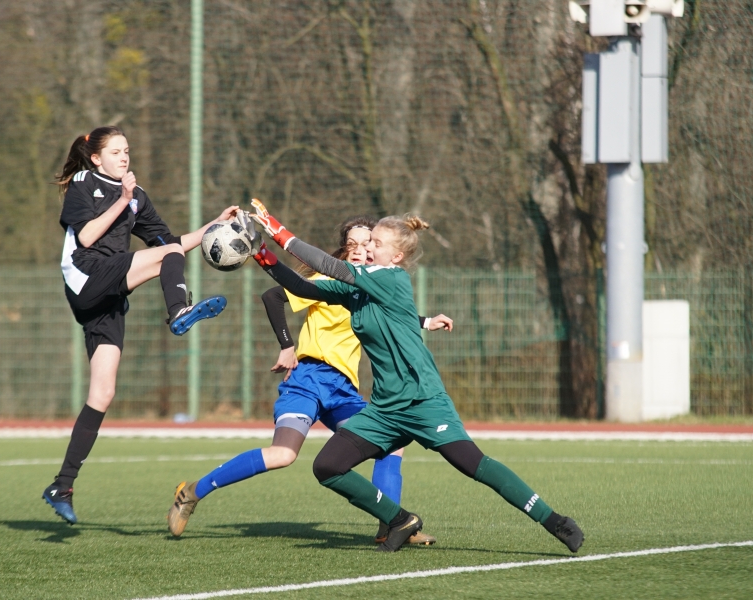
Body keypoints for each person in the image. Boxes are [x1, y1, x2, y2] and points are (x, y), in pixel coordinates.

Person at [248, 199, 585, 553]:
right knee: (328, 467)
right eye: (364, 242)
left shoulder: (391, 279)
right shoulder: (358, 289)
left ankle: (555, 521)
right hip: (386, 409)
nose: (365, 248)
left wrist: (280, 231)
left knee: (475, 465)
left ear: (395, 257)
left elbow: (329, 265)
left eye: (374, 243)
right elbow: (302, 288)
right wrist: (261, 253)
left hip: (423, 401)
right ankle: (399, 520)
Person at [166, 216, 452, 546]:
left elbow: (394, 314)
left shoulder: (370, 285)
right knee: (283, 455)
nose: (360, 250)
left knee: (392, 447)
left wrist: (426, 321)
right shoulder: (326, 279)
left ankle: (392, 526)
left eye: (367, 243)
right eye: (353, 244)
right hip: (309, 380)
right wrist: (287, 346)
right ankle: (191, 492)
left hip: (343, 389)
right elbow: (274, 295)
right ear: (344, 250)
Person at [43, 126, 237, 524]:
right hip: (86, 275)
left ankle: (61, 484)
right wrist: (124, 199)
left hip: (109, 295)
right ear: (96, 158)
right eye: (115, 151)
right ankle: (179, 312)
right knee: (164, 256)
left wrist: (212, 228)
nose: (124, 157)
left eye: (127, 150)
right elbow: (86, 236)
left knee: (103, 391)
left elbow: (172, 243)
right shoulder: (85, 182)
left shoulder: (138, 196)